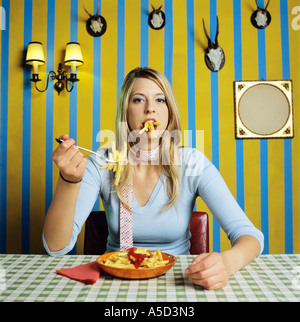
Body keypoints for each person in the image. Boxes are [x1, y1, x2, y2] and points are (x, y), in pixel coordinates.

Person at [43, 67, 264, 290]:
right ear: (125, 112)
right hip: (113, 282)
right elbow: (56, 247)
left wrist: (228, 262)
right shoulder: (102, 162)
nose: (150, 109)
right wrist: (69, 181)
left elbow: (250, 236)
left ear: (169, 111)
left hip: (177, 282)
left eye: (160, 100)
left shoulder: (191, 163)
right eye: (138, 100)